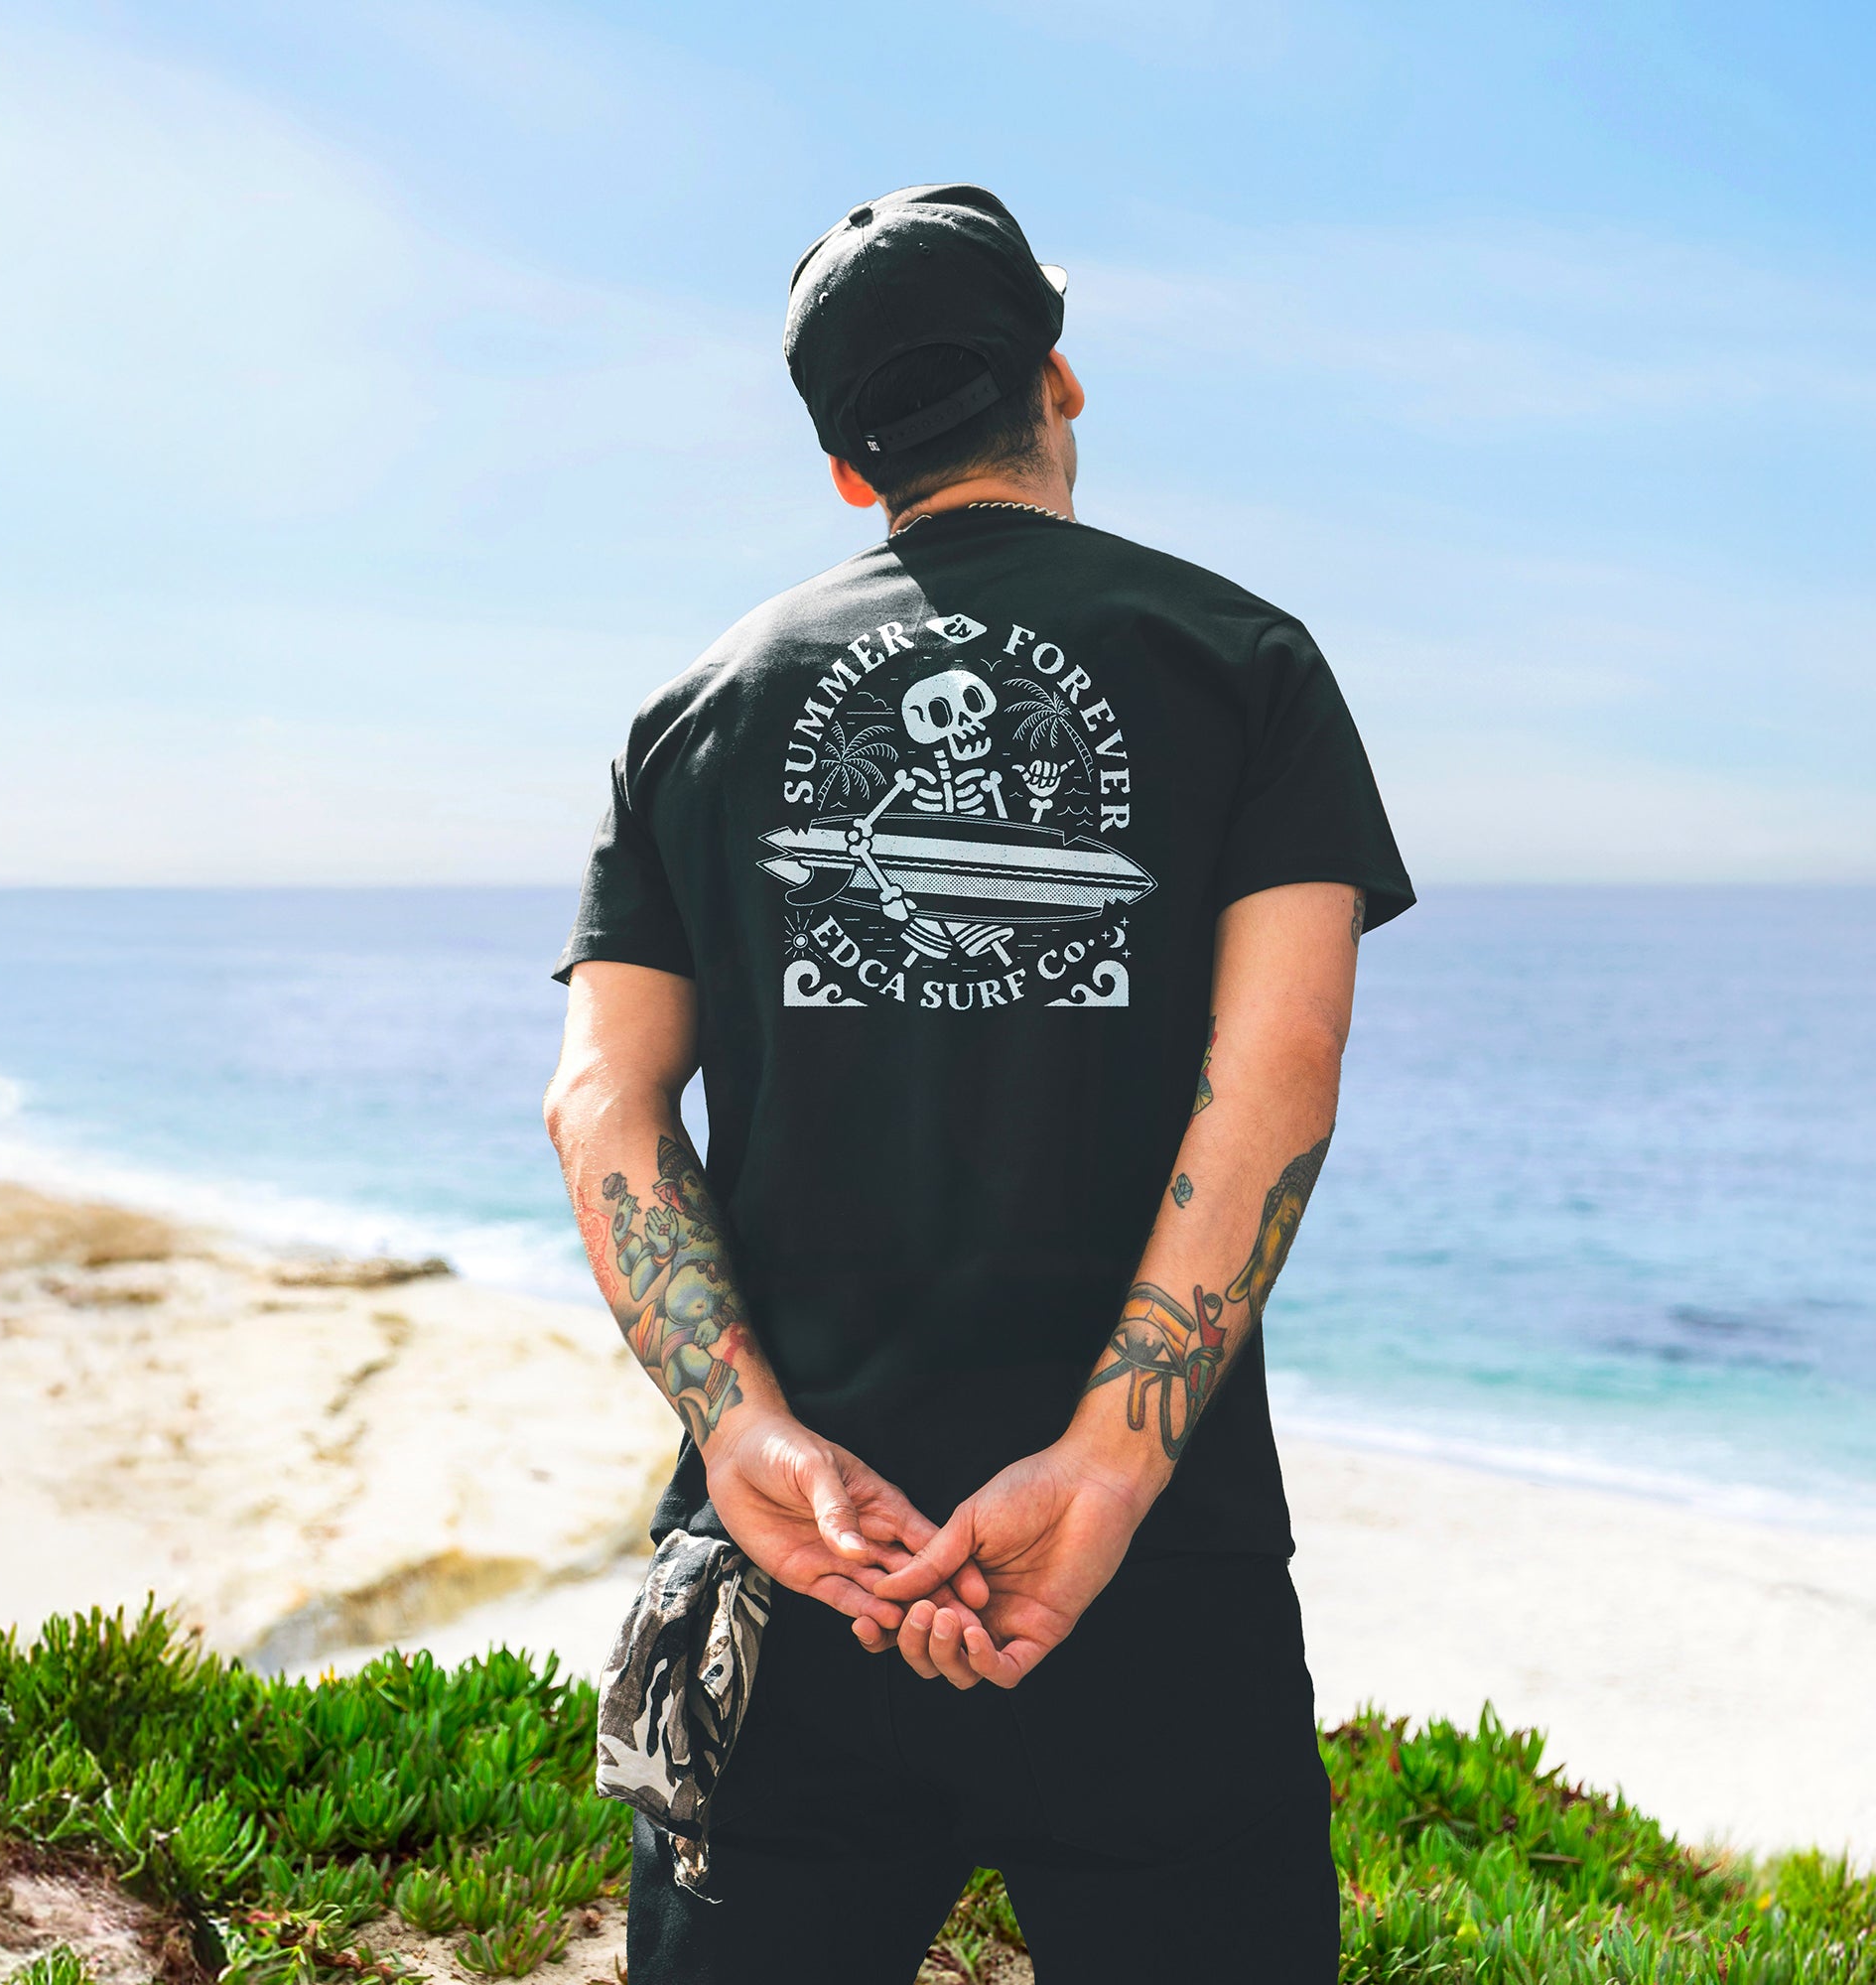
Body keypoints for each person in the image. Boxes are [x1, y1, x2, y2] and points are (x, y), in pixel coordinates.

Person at [545, 184, 1413, 1984]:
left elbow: (603, 1110)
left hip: (801, 1565)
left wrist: (748, 1438)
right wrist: (1100, 1475)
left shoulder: (690, 714)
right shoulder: (1243, 663)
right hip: (1150, 1578)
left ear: (851, 467)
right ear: (1060, 379)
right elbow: (1281, 1073)